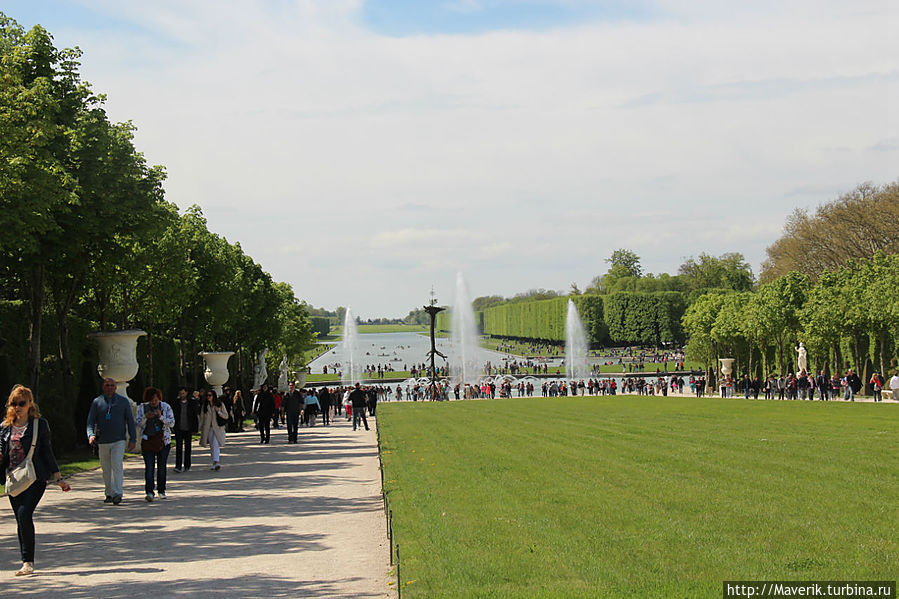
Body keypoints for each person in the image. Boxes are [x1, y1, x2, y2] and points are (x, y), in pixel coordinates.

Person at [1, 385, 71, 576]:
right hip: (14, 479)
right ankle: (26, 560)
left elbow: (47, 452)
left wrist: (59, 478)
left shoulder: (40, 425)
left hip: (35, 478)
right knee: (20, 519)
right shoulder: (5, 427)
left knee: (24, 515)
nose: (17, 407)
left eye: (21, 403)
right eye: (14, 403)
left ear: (30, 404)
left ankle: (27, 562)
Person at [86, 378, 136, 504]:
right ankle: (109, 493)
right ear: (103, 387)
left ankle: (118, 493)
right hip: (103, 440)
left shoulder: (123, 402)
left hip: (119, 440)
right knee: (106, 468)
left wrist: (133, 439)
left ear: (116, 387)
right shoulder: (97, 402)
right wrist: (91, 435)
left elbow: (130, 421)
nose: (109, 387)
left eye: (112, 385)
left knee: (117, 465)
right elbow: (90, 421)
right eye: (107, 385)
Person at [136, 387, 175, 501]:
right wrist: (145, 417)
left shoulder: (165, 407)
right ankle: (149, 491)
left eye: (155, 400)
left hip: (163, 441)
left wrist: (161, 417)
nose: (153, 402)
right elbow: (138, 423)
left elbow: (172, 423)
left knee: (162, 466)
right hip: (148, 440)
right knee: (149, 467)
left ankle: (161, 490)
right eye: (151, 400)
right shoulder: (142, 408)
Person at [199, 390, 229, 470]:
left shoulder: (220, 404)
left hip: (217, 428)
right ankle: (214, 461)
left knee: (215, 444)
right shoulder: (205, 406)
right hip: (208, 428)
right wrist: (199, 428)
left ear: (214, 396)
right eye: (207, 396)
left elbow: (226, 416)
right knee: (212, 445)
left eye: (210, 395)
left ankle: (216, 461)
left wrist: (218, 411)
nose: (208, 397)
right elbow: (202, 418)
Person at [171, 386, 199, 473]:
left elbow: (194, 416)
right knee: (178, 448)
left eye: (183, 393)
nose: (182, 395)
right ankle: (178, 466)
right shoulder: (176, 403)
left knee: (188, 448)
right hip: (178, 428)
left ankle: (187, 465)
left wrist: (195, 428)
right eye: (180, 393)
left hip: (188, 428)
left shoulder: (191, 403)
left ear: (186, 393)